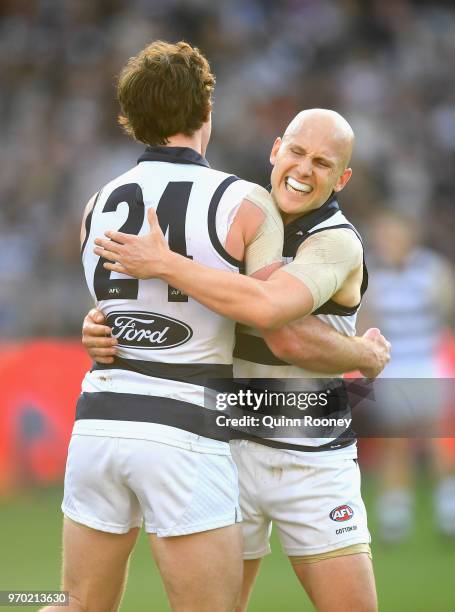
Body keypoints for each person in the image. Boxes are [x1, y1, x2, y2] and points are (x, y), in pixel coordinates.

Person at [88, 108, 391, 611]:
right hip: (226, 451)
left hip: (310, 457)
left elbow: (284, 335)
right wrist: (99, 323)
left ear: (343, 178)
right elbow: (161, 300)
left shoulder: (335, 241)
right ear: (275, 150)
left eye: (323, 162)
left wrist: (362, 354)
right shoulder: (236, 214)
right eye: (296, 152)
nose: (304, 169)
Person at [43, 40, 289, 612]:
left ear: (133, 120)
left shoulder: (97, 202)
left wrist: (95, 330)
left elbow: (115, 316)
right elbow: (275, 316)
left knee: (78, 603)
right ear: (207, 109)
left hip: (100, 422)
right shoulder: (243, 201)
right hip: (185, 426)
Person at [361, 211, 455, 541]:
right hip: (393, 366)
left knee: (435, 437)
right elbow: (366, 320)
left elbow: (446, 311)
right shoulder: (371, 271)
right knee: (395, 439)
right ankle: (395, 517)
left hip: (426, 363)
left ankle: (448, 511)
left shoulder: (432, 270)